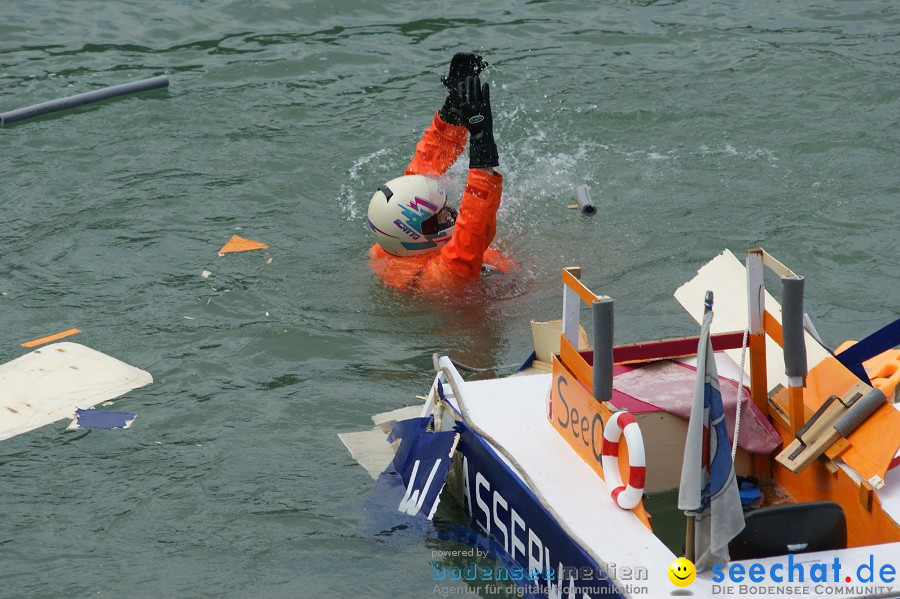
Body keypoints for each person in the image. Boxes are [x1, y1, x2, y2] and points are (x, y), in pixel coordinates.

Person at [366, 53, 512, 293]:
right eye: (440, 213)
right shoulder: (440, 278)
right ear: (421, 233)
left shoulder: (393, 235)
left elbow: (421, 174)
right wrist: (481, 141)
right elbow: (474, 226)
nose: (449, 211)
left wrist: (453, 107)